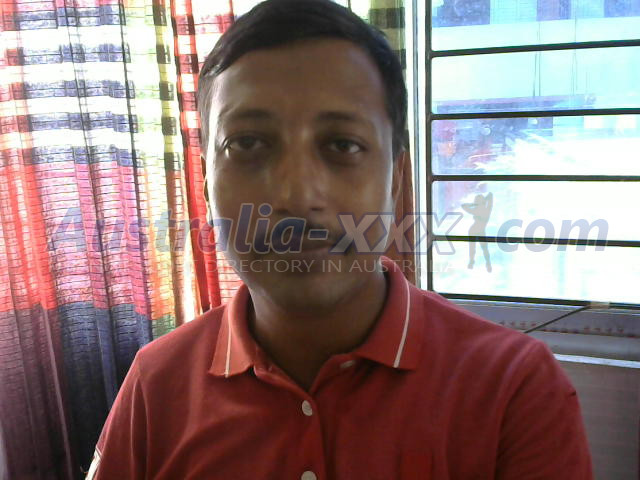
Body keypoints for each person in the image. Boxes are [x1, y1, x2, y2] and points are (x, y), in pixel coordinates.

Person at [87, 1, 593, 478]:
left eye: (342, 145)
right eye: (247, 143)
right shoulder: (157, 384)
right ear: (204, 184)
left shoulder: (514, 390)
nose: (296, 195)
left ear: (396, 181)